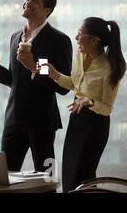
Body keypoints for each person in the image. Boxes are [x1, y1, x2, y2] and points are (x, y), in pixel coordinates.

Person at [0, 0, 73, 172]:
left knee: (45, 177)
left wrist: (34, 67)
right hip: (13, 119)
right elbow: (15, 80)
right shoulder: (15, 37)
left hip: (41, 120)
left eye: (35, 1)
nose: (28, 3)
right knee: (5, 176)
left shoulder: (59, 40)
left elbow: (64, 86)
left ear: (47, 10)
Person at [40, 17, 125, 192]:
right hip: (77, 119)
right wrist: (55, 74)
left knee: (83, 176)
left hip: (95, 124)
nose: (76, 38)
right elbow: (74, 84)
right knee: (70, 175)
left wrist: (90, 101)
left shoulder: (110, 68)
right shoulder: (79, 55)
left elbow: (107, 108)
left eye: (80, 34)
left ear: (95, 40)